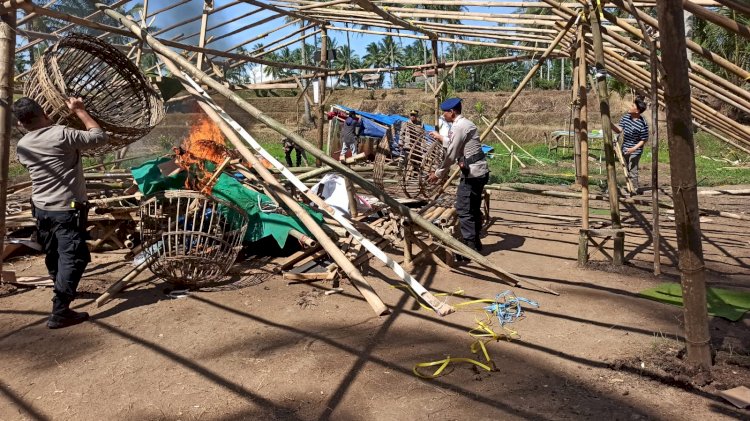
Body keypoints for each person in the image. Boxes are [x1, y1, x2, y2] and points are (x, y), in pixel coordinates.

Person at [13, 97, 109, 329]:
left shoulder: (23, 144)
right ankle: (60, 310)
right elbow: (98, 137)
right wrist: (80, 111)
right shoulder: (61, 134)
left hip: (42, 208)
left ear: (20, 123)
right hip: (66, 209)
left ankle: (61, 290)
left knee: (54, 254)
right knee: (74, 257)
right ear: (44, 111)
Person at [428, 98, 489, 257]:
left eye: (445, 113)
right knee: (473, 208)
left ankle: (469, 249)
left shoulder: (459, 126)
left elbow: (451, 153)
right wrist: (441, 138)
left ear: (452, 112)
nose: (443, 115)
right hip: (479, 172)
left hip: (472, 175)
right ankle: (476, 243)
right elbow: (455, 142)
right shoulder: (464, 124)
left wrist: (438, 173)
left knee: (464, 208)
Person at [612, 97, 649, 195]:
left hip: (635, 149)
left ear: (637, 111)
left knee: (633, 169)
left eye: (633, 106)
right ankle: (630, 186)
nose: (630, 106)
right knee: (626, 168)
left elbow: (644, 139)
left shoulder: (642, 123)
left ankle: (635, 189)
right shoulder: (626, 117)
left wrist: (633, 149)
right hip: (625, 148)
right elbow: (619, 130)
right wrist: (611, 125)